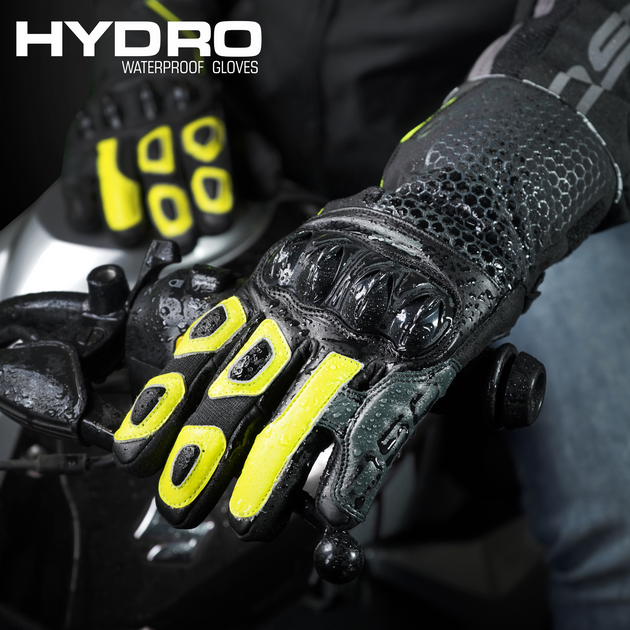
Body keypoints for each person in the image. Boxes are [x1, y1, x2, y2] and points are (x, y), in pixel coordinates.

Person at [11, 0, 630, 627]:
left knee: (608, 531)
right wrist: (155, 46)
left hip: (494, 160)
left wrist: (474, 198)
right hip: (241, 137)